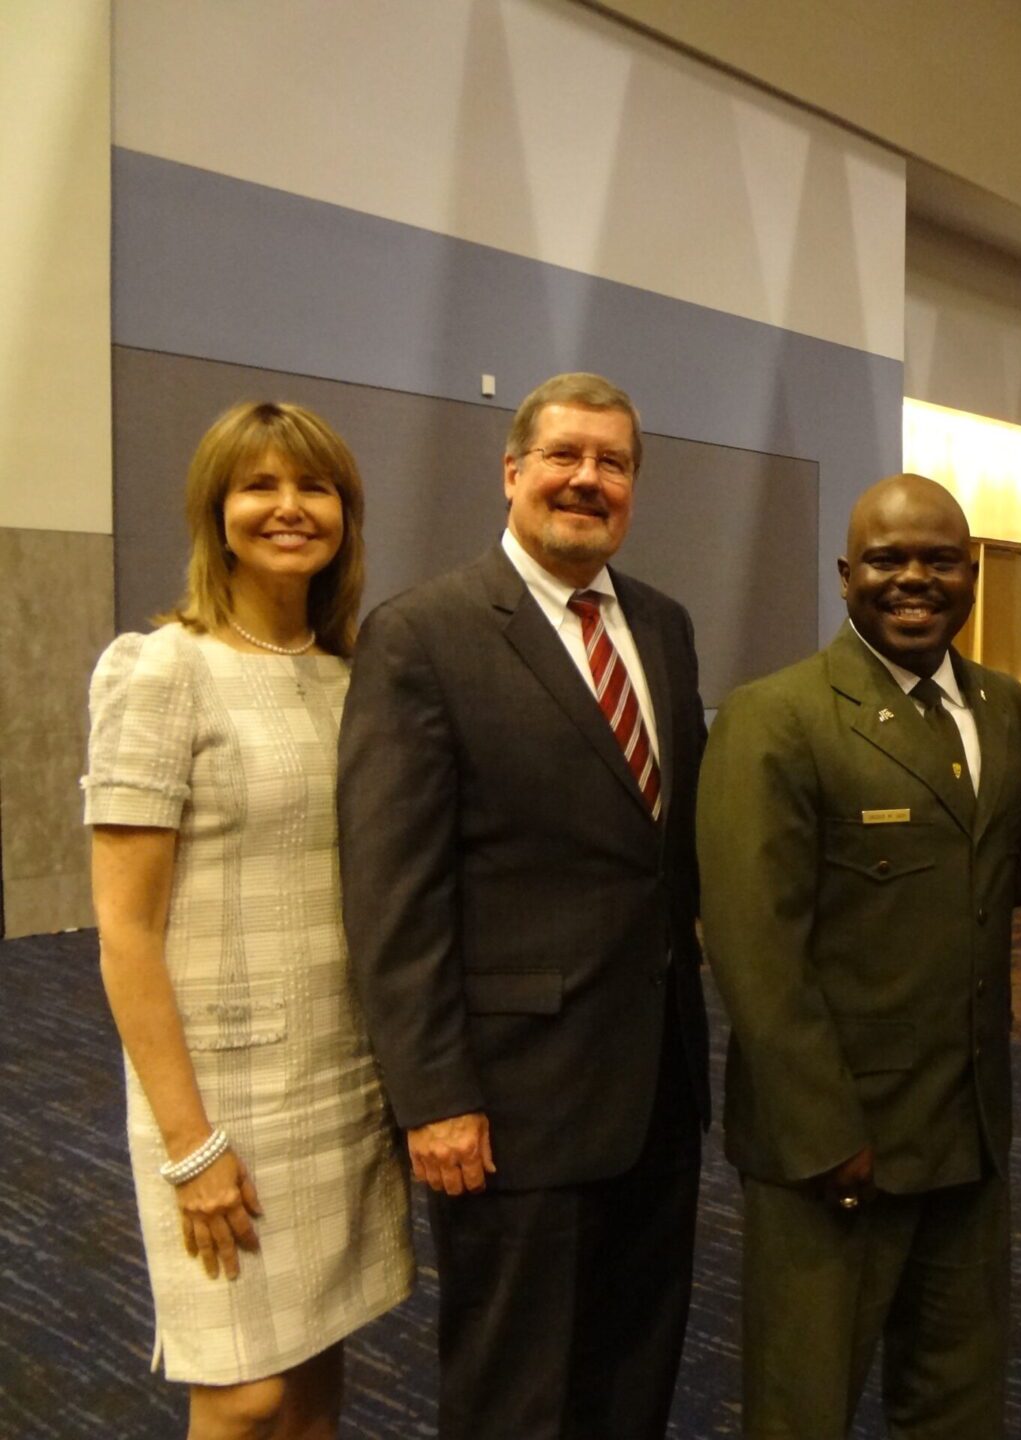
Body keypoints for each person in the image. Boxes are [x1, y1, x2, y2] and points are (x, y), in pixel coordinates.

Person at [338, 373, 708, 1440]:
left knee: (634, 1373)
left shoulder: (665, 627)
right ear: (511, 473)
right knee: (518, 1394)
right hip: (510, 1102)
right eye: (564, 456)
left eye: (614, 463)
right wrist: (434, 1096)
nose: (589, 480)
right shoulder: (423, 636)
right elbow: (393, 892)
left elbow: (663, 853)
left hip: (657, 1086)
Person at [83, 401, 413, 1438]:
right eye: (258, 485)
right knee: (243, 1392)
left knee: (314, 1362)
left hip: (338, 1073)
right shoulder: (162, 670)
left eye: (314, 487)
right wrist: (191, 1145)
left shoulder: (352, 679)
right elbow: (125, 932)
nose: (289, 507)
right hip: (221, 1092)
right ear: (214, 512)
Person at [696, 473, 1021, 1439]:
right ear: (846, 575)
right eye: (888, 560)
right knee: (804, 1408)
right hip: (838, 1143)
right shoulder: (777, 714)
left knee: (958, 1402)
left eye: (941, 560)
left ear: (972, 576)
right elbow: (755, 950)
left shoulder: (1003, 706)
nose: (914, 579)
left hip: (967, 1127)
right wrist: (823, 1132)